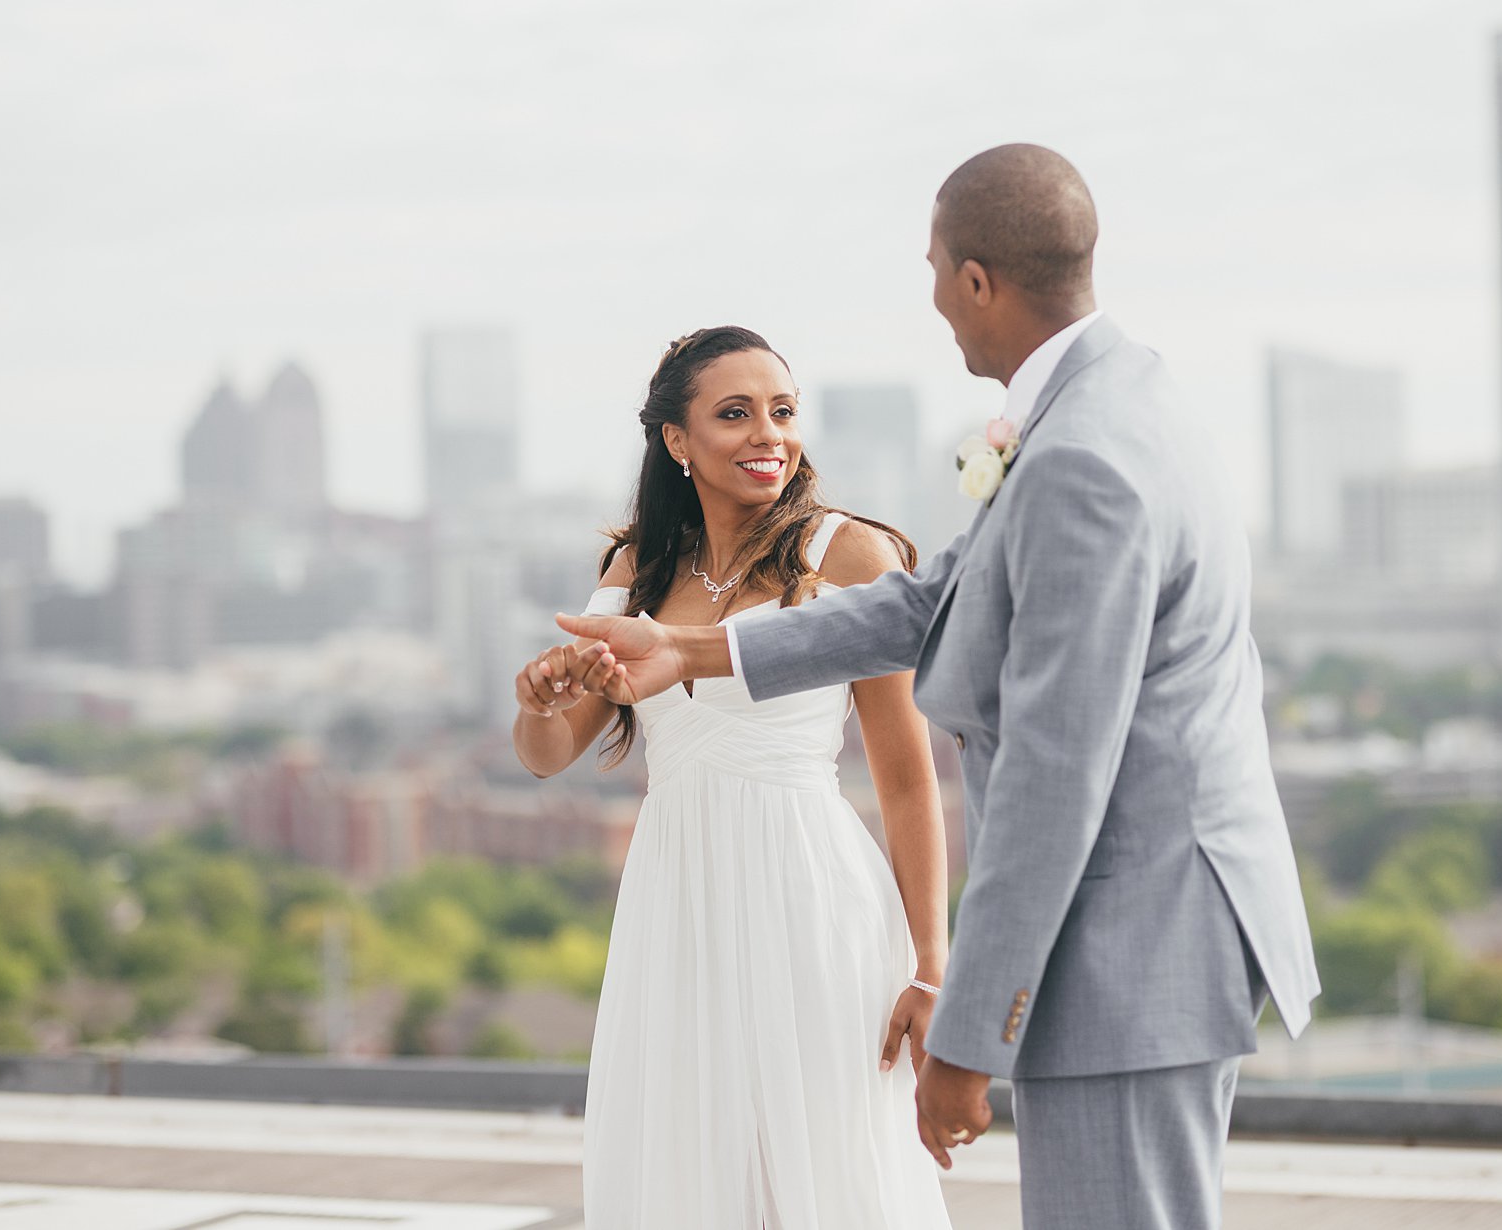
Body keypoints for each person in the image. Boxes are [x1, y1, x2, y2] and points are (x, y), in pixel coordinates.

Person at [559, 144, 1321, 1229]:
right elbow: (938, 603)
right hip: (1158, 929)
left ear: (975, 281)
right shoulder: (1111, 400)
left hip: (1133, 939)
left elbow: (1057, 772)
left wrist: (967, 1029)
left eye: (931, 270)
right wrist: (696, 654)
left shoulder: (1079, 461)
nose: (930, 299)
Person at [511, 326, 955, 1230]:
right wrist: (538, 696)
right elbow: (549, 753)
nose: (769, 435)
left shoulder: (850, 555)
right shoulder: (636, 569)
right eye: (736, 414)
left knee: (822, 1165)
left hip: (812, 902)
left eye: (783, 412)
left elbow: (909, 783)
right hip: (676, 908)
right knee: (687, 1165)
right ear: (677, 440)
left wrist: (931, 968)